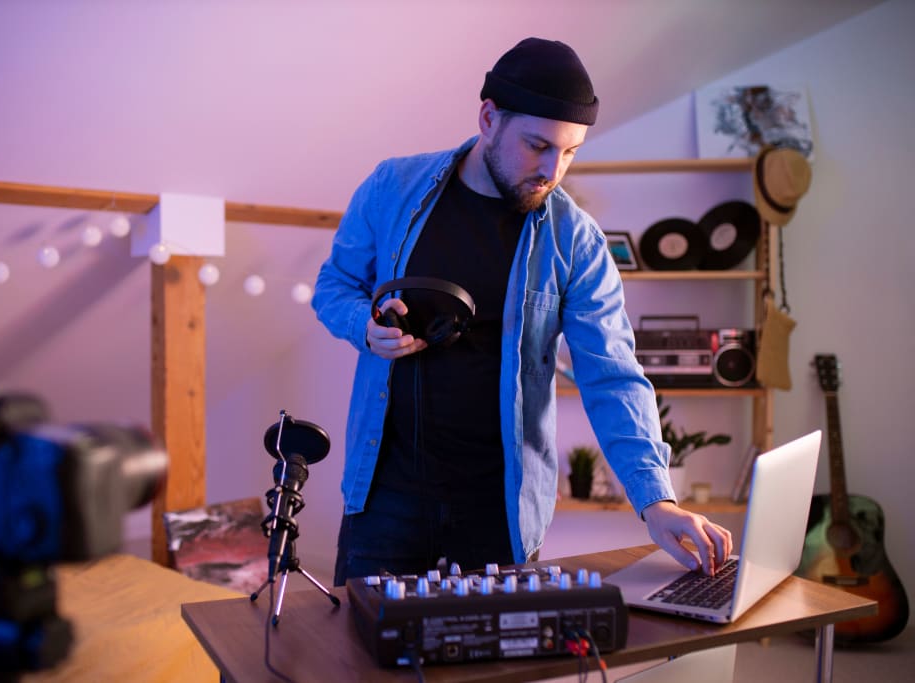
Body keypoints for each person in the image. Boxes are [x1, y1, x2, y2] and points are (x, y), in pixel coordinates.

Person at [312, 37, 732, 586]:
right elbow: (334, 285)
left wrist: (657, 500)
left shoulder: (577, 240)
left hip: (498, 512)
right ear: (489, 118)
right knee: (361, 643)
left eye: (570, 152)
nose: (553, 170)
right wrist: (364, 327)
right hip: (384, 501)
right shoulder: (392, 188)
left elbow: (612, 374)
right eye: (538, 146)